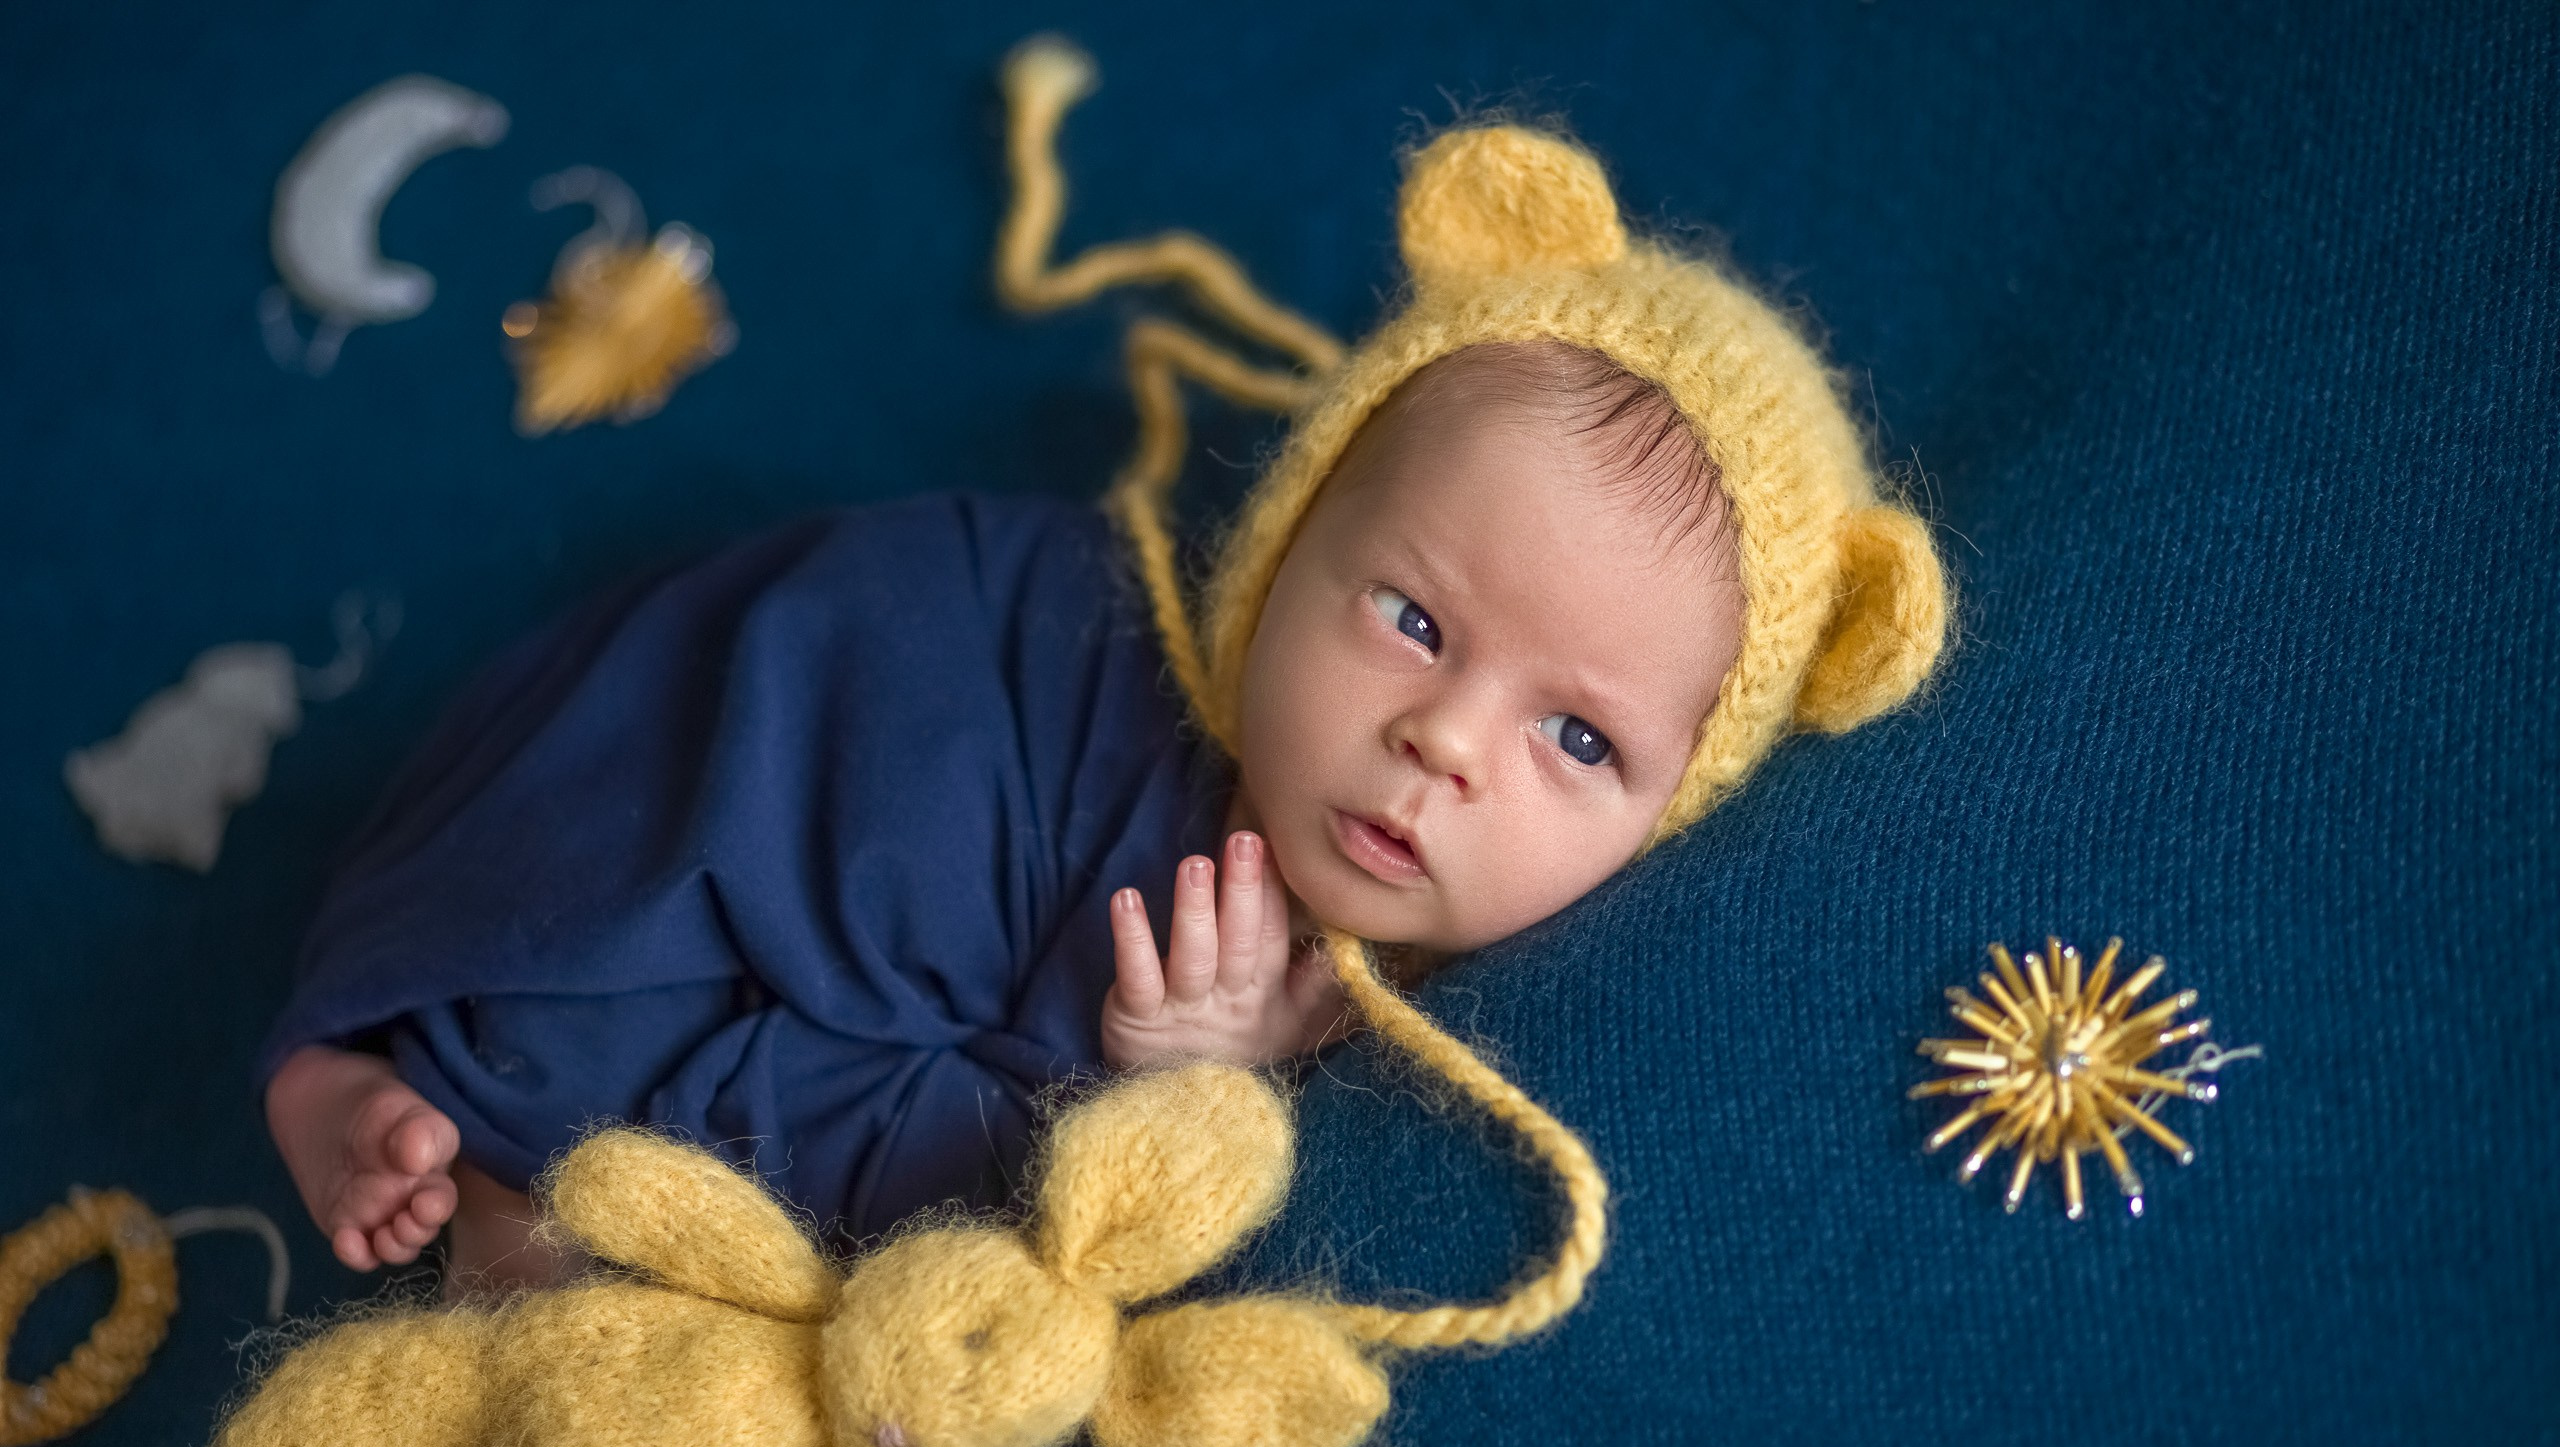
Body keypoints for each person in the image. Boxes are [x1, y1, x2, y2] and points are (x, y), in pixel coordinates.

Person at [258, 91, 1949, 1292]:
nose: (1444, 742)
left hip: (859, 987)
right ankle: (375, 1077)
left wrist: (1193, 1079)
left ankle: (458, 1136)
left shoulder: (1455, 995)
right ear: (1285, 538)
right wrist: (1183, 1072)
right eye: (1414, 620)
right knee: (626, 981)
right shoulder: (1091, 674)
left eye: (1577, 738)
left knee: (857, 1173)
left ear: (1675, 801)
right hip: (780, 753)